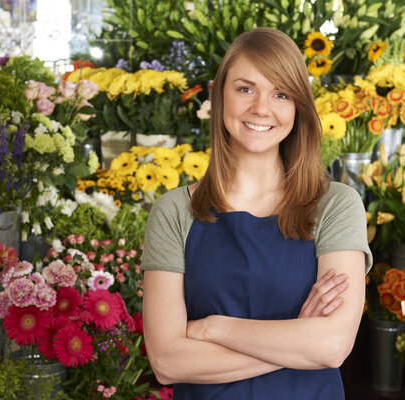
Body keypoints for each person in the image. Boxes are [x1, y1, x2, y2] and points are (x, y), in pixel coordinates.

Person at [141, 27, 372, 399]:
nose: (261, 108)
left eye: (281, 93)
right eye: (245, 88)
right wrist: (298, 338)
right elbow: (168, 361)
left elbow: (331, 346)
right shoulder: (173, 213)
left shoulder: (336, 205)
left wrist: (212, 328)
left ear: (298, 106)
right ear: (219, 94)